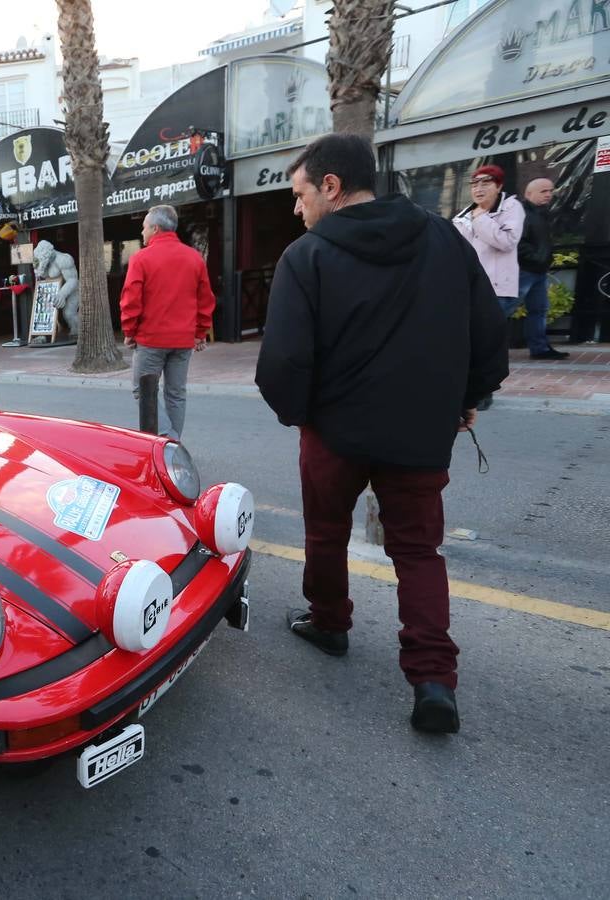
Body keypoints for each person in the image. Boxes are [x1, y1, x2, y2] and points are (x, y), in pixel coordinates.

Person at [255, 133, 508, 735]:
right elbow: (488, 337)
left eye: (300, 194)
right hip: (420, 433)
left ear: (332, 187)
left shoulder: (306, 257)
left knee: (325, 530)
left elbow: (282, 365)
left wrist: (302, 415)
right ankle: (432, 680)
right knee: (418, 551)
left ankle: (330, 622)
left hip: (335, 433)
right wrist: (465, 401)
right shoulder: (444, 238)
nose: (297, 209)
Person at [119, 204, 215, 439]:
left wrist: (129, 331)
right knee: (176, 394)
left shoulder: (141, 259)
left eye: (144, 228)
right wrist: (200, 333)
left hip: (151, 339)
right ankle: (173, 443)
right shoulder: (194, 258)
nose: (142, 233)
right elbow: (206, 300)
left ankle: (166, 442)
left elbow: (131, 300)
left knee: (142, 390)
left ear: (155, 228)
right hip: (182, 340)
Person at [452, 164, 524, 409]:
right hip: (468, 288)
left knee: (488, 342)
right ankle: (471, 390)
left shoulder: (511, 208)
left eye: (486, 183)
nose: (479, 189)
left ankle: (485, 391)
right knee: (468, 340)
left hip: (498, 289)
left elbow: (506, 241)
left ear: (499, 186)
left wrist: (481, 219)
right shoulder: (462, 216)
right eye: (475, 184)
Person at [518, 178, 569, 361]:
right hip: (524, 270)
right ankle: (476, 346)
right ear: (529, 194)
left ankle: (539, 349)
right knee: (503, 308)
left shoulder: (542, 214)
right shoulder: (521, 213)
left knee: (538, 310)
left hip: (538, 270)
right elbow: (517, 242)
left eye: (550, 191)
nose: (549, 194)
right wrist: (536, 257)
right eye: (543, 191)